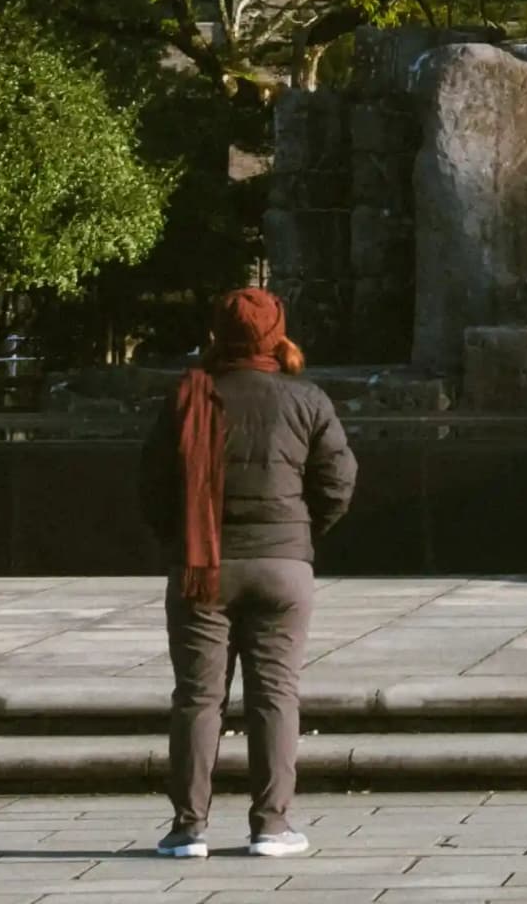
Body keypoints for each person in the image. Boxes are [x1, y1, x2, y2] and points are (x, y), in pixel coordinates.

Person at [138, 288, 355, 860]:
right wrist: (300, 537)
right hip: (283, 566)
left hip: (201, 568)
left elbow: (153, 486)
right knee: (276, 695)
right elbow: (338, 481)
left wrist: (181, 540)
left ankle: (188, 829)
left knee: (197, 697)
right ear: (278, 335)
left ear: (217, 335)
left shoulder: (187, 398)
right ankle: (272, 826)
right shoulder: (306, 400)